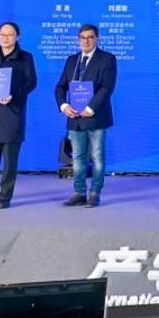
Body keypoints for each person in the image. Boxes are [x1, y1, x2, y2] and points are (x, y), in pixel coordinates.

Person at [55, 24, 118, 208]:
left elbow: (107, 87)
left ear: (97, 39)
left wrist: (91, 107)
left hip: (96, 116)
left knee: (97, 157)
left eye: (90, 37)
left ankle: (95, 193)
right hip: (74, 117)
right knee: (78, 157)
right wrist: (64, 105)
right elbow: (60, 87)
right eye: (82, 38)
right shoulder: (71, 60)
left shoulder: (107, 59)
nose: (86, 41)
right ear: (78, 40)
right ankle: (79, 192)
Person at [0, 22, 36, 209]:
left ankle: (4, 198)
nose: (5, 38)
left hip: (12, 114)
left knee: (10, 162)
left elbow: (31, 82)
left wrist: (14, 96)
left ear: (17, 37)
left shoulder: (25, 57)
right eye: (2, 34)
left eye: (9, 35)